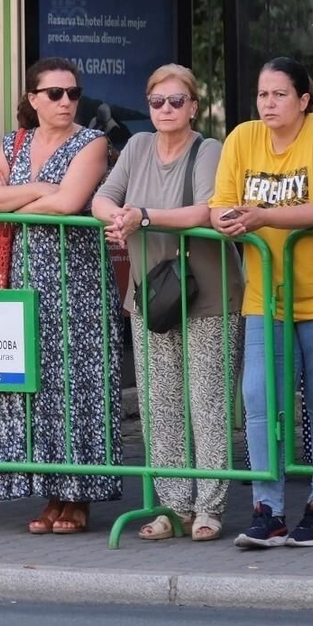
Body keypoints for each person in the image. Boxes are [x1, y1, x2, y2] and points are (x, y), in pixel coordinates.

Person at [211, 56, 313, 549]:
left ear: (303, 100)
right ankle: (268, 511)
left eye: (280, 94)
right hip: (267, 293)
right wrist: (226, 219)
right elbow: (221, 202)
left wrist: (263, 219)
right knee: (259, 398)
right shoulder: (241, 138)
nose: (269, 103)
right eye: (262, 94)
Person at [91, 64, 245, 542]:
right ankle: (172, 506)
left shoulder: (208, 148)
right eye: (157, 102)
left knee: (208, 404)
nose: (165, 110)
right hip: (150, 296)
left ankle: (209, 509)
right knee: (161, 407)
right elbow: (102, 196)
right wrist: (116, 216)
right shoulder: (136, 146)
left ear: (194, 106)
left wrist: (142, 216)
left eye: (176, 101)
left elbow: (205, 208)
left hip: (209, 296)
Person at [0, 58, 122, 534]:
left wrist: (16, 195)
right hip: (23, 279)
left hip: (75, 281)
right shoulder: (14, 142)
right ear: (33, 99)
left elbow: (69, 203)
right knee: (35, 387)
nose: (66, 102)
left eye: (73, 93)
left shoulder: (92, 141)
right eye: (55, 93)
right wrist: (39, 185)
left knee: (77, 384)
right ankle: (51, 492)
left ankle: (79, 495)